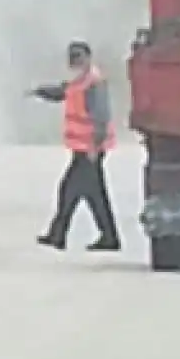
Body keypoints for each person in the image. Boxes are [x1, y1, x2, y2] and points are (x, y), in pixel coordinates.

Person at [32, 40, 122, 252]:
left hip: (90, 149)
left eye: (79, 57)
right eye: (72, 58)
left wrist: (94, 146)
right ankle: (108, 237)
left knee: (69, 190)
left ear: (88, 57)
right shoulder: (80, 81)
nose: (75, 61)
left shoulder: (93, 82)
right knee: (93, 194)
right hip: (84, 148)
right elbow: (63, 92)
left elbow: (101, 116)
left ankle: (58, 235)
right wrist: (41, 92)